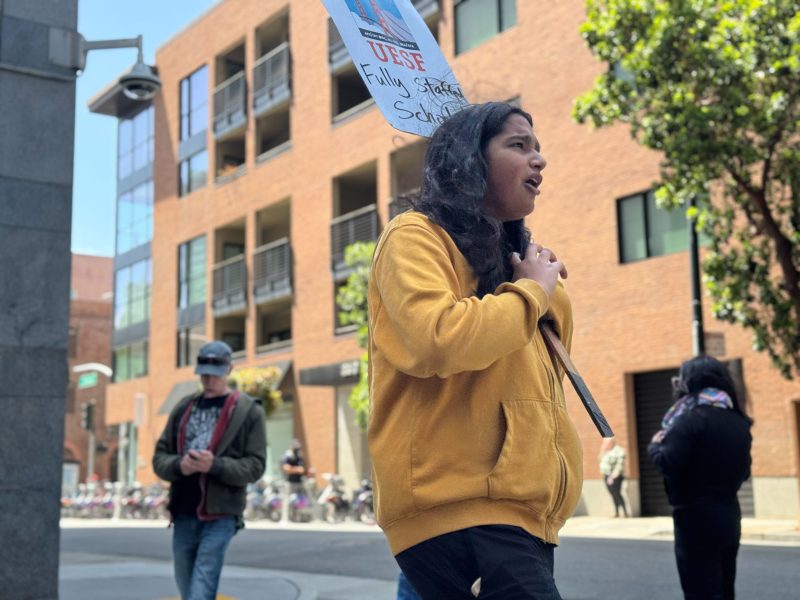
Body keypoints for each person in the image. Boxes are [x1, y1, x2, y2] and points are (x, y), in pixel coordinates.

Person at [368, 102, 583, 599]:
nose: (539, 159)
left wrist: (545, 287)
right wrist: (532, 292)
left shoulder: (512, 256)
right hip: (464, 508)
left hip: (516, 509)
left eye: (537, 146)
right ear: (471, 160)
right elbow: (437, 338)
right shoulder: (415, 234)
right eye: (518, 144)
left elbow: (549, 368)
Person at [153, 340, 266, 600]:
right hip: (182, 512)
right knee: (186, 585)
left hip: (221, 515)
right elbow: (160, 457)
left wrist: (214, 465)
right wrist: (179, 465)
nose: (209, 379)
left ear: (229, 369)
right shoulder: (183, 408)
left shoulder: (248, 411)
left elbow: (256, 465)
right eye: (204, 372)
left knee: (201, 587)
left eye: (215, 373)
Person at [648, 355, 752, 600]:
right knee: (725, 588)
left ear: (690, 381)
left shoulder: (689, 419)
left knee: (700, 590)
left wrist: (654, 446)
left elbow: (668, 463)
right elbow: (745, 471)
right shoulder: (739, 421)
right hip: (729, 514)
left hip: (694, 518)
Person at [598, 438, 628, 517]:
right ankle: (617, 512)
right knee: (612, 494)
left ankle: (625, 512)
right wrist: (602, 450)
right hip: (607, 475)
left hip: (615, 476)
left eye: (606, 443)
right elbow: (599, 460)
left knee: (617, 493)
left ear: (611, 443)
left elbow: (619, 465)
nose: (605, 444)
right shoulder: (606, 451)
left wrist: (613, 476)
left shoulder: (618, 451)